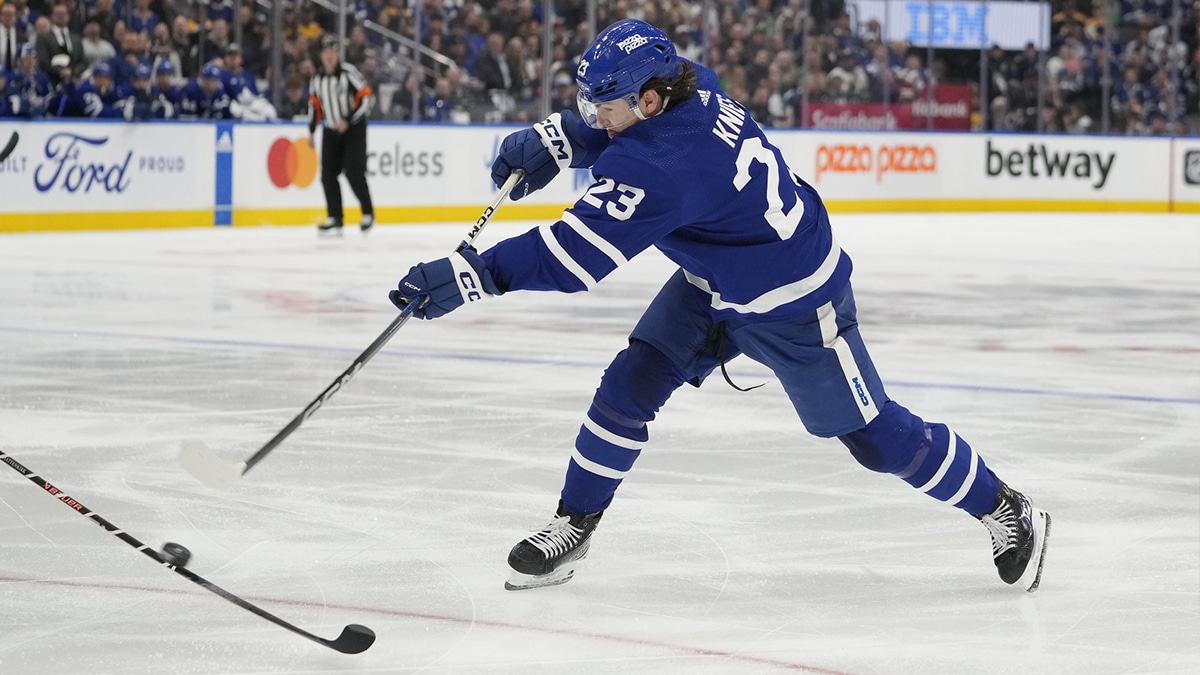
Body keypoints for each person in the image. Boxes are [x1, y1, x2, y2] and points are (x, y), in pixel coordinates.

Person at [388, 20, 1052, 594]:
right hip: (718, 271)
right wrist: (559, 139)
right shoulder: (689, 80)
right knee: (629, 384)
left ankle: (1004, 505)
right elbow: (618, 133)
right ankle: (575, 525)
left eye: (605, 103)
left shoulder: (661, 169)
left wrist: (473, 274)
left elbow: (569, 259)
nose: (595, 114)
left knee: (873, 437)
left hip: (796, 299)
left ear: (649, 98)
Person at [307, 34, 376, 236]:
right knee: (327, 175)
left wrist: (348, 119)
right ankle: (335, 217)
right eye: (326, 52)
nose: (329, 56)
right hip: (330, 130)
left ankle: (367, 212)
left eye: (333, 52)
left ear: (338, 54)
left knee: (354, 171)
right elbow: (315, 106)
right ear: (321, 55)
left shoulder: (348, 73)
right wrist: (311, 131)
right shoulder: (317, 79)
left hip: (353, 129)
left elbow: (366, 97)